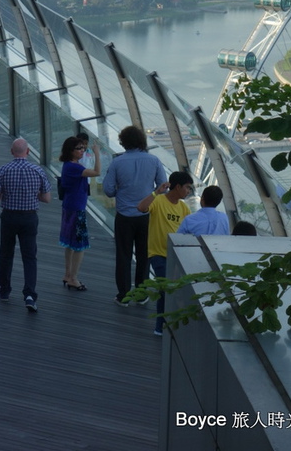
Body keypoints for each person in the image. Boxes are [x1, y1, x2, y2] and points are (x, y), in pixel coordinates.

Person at [102, 125, 168, 306]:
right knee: (144, 255)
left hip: (124, 215)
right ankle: (141, 293)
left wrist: (121, 191)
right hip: (147, 215)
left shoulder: (117, 162)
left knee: (123, 255)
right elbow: (162, 186)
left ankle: (123, 294)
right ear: (141, 141)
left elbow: (107, 190)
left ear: (123, 142)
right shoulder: (154, 160)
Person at [0, 137, 51, 312]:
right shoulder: (37, 171)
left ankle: (4, 291)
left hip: (9, 217)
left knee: (6, 254)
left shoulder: (3, 170)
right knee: (30, 257)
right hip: (29, 218)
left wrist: (5, 192)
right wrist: (34, 195)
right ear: (28, 152)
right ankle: (30, 295)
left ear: (12, 152)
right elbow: (46, 198)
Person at [137, 171, 193, 336]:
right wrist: (156, 192)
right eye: (187, 188)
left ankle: (165, 325)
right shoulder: (159, 200)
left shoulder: (184, 208)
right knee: (165, 289)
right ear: (177, 187)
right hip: (158, 253)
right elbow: (141, 208)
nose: (189, 191)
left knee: (171, 290)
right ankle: (160, 326)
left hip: (176, 254)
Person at [58, 136, 100, 290]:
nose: (82, 151)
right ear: (71, 150)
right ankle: (73, 278)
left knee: (69, 243)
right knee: (79, 245)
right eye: (79, 148)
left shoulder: (69, 165)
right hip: (77, 208)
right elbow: (97, 172)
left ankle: (68, 274)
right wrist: (97, 154)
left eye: (83, 148)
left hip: (70, 206)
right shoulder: (75, 168)